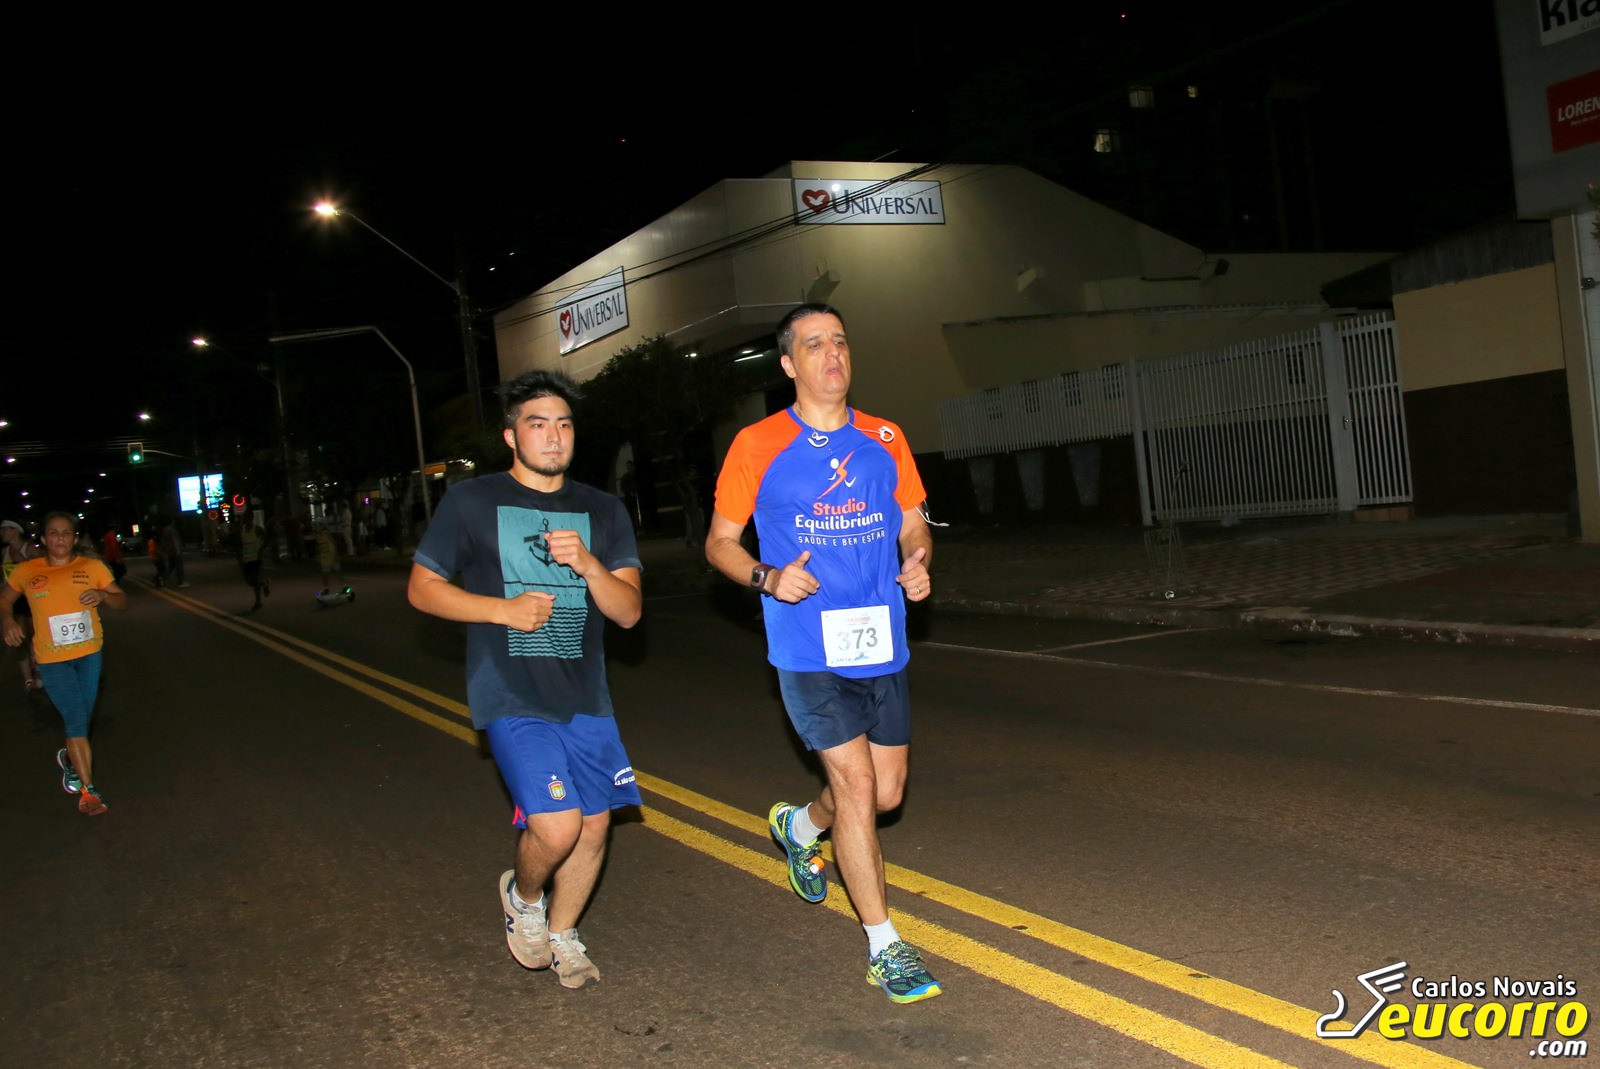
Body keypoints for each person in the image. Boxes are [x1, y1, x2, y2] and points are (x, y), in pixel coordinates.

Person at [705, 303, 940, 1004]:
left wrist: (919, 559)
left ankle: (800, 824)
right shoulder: (757, 444)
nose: (832, 354)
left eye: (839, 341)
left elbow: (912, 520)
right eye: (814, 345)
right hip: (807, 648)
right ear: (788, 364)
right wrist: (767, 577)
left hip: (881, 640)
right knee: (859, 789)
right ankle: (884, 945)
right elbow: (719, 543)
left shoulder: (885, 436)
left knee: (885, 793)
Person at [407, 369, 642, 991]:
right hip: (509, 690)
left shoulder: (603, 509)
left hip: (585, 694)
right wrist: (500, 610)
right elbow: (423, 588)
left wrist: (588, 564)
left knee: (595, 825)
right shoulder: (472, 502)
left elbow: (627, 611)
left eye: (564, 424)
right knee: (558, 825)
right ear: (512, 436)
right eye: (538, 424)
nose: (553, 436)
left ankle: (563, 933)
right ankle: (525, 895)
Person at [2, 511, 127, 815]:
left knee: (82, 719)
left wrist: (103, 595)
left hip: (89, 655)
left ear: (74, 538)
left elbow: (121, 600)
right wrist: (7, 620)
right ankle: (89, 792)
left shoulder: (92, 566)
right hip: (52, 659)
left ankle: (70, 760)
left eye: (66, 532)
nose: (60, 538)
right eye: (54, 533)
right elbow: (4, 600)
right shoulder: (27, 570)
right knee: (75, 721)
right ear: (44, 539)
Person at [2, 519, 43, 691]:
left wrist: (24, 561)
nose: (2, 533)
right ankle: (28, 679)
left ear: (16, 530)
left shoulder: (30, 549)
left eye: (6, 529)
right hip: (13, 600)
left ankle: (39, 671)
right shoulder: (4, 552)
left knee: (35, 637)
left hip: (31, 598)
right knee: (18, 639)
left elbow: (43, 572)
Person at [236, 515, 270, 610]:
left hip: (256, 557)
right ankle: (264, 583)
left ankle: (258, 602)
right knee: (249, 582)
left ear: (252, 519)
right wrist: (239, 557)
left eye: (248, 518)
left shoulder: (257, 529)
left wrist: (261, 549)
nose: (246, 520)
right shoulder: (242, 530)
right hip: (246, 558)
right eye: (245, 519)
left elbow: (266, 539)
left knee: (254, 580)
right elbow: (239, 544)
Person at [314, 518, 343, 593]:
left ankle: (344, 586)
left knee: (337, 572)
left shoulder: (326, 533)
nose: (316, 527)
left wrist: (336, 555)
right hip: (324, 557)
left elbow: (333, 543)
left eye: (317, 526)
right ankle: (326, 588)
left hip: (331, 555)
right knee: (325, 574)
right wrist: (318, 556)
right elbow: (319, 546)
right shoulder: (317, 536)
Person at [158, 517, 188, 588]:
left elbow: (163, 541)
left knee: (171, 567)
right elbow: (174, 540)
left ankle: (162, 578)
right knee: (179, 567)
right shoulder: (172, 530)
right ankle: (181, 582)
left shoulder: (164, 530)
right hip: (174, 551)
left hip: (169, 551)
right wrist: (178, 550)